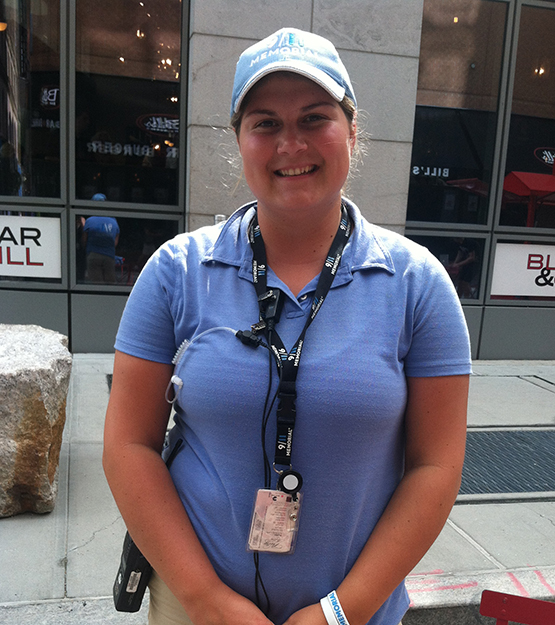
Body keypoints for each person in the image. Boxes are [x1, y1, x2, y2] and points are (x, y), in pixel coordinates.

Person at [103, 28, 471, 625]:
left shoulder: (418, 285)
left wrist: (338, 614)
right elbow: (127, 447)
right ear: (240, 140)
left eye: (315, 118)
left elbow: (436, 467)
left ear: (352, 131)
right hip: (195, 606)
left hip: (354, 613)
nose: (290, 144)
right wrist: (206, 600)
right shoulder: (175, 273)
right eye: (266, 122)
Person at [82, 194, 120, 283]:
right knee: (110, 282)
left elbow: (84, 239)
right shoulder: (113, 221)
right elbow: (115, 241)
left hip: (93, 254)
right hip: (109, 255)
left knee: (96, 282)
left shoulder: (89, 221)